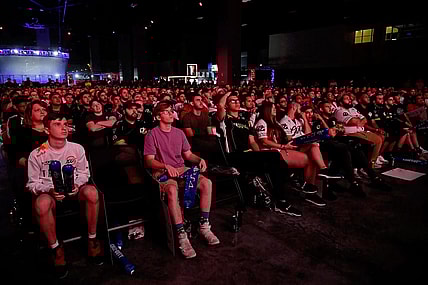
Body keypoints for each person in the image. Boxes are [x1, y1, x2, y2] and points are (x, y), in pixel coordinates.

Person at [26, 113, 104, 279]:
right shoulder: (37, 153)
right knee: (41, 204)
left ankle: (92, 240)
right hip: (51, 194)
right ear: (47, 129)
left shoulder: (77, 148)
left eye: (65, 124)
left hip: (75, 191)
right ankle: (56, 249)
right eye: (57, 124)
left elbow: (84, 172)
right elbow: (31, 184)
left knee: (92, 192)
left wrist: (77, 184)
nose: (64, 128)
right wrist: (49, 189)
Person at [144, 101, 219, 259]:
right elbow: (149, 160)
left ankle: (204, 226)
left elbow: (188, 155)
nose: (171, 114)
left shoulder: (179, 133)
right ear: (158, 116)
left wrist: (199, 159)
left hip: (180, 168)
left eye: (171, 111)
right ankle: (181, 235)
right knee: (171, 190)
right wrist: (165, 166)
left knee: (207, 183)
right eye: (166, 112)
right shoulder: (152, 134)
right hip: (162, 171)